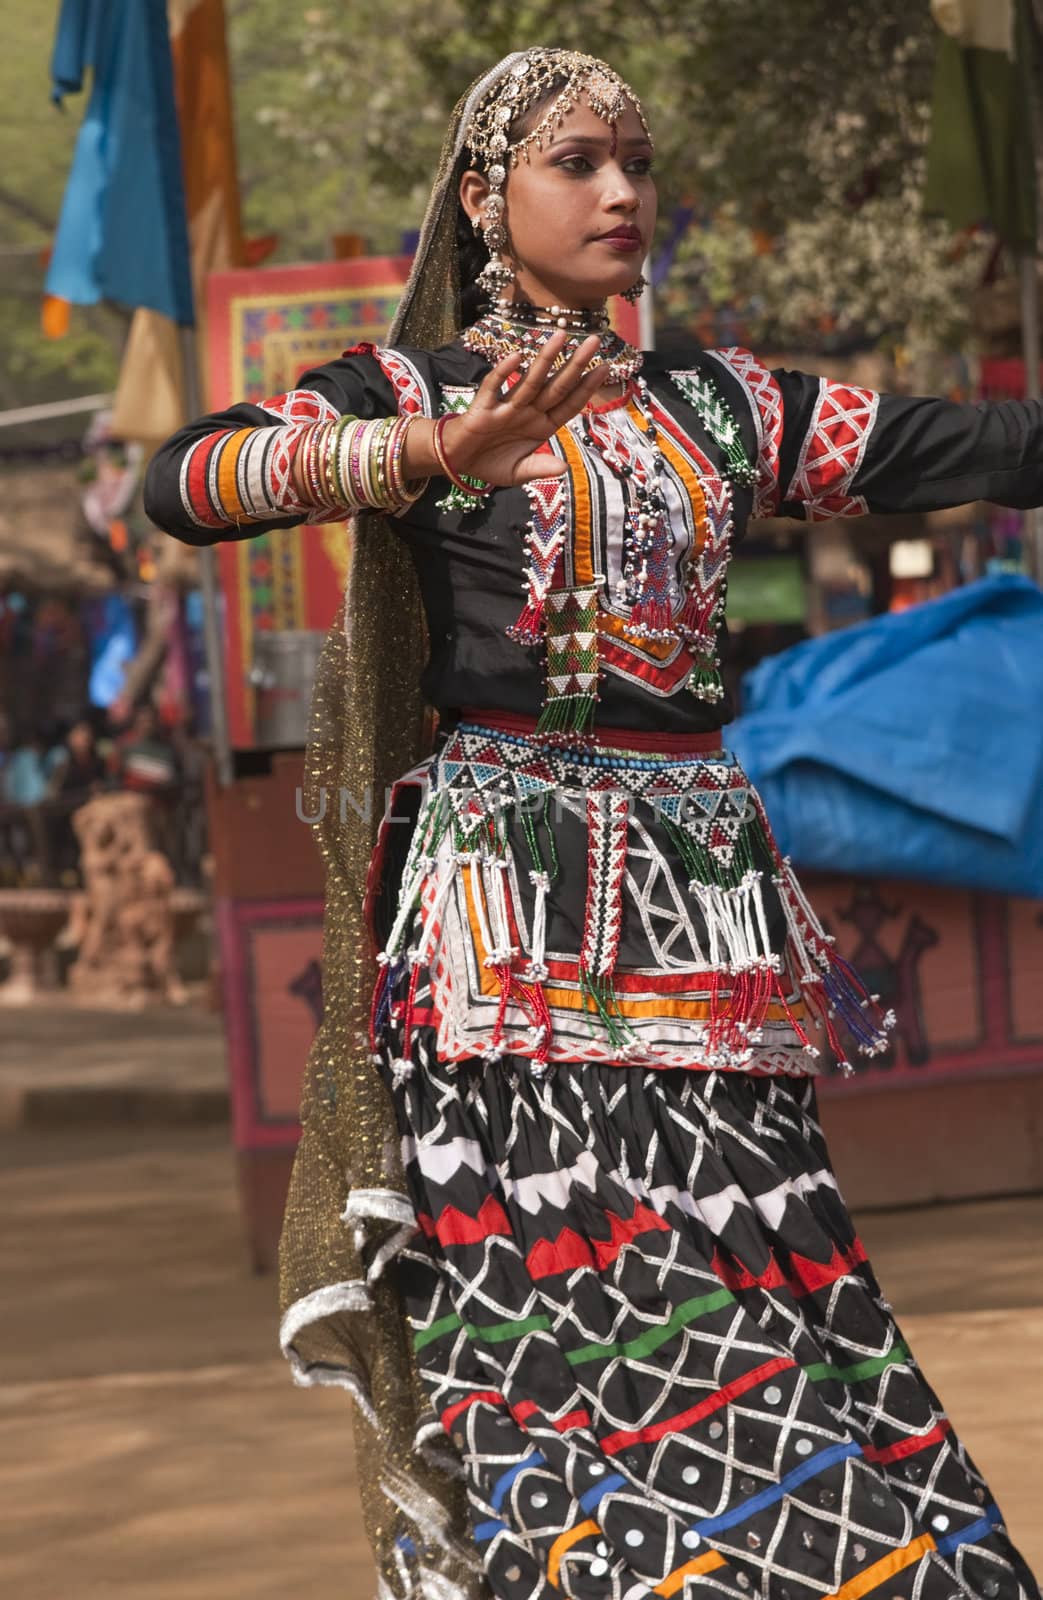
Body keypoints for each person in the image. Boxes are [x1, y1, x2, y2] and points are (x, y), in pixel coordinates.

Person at [144, 48, 1041, 1600]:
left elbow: (967, 448)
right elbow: (189, 480)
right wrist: (432, 454)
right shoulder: (412, 392)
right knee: (578, 1315)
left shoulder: (722, 400)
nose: (624, 190)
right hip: (506, 929)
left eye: (636, 159)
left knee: (773, 1280)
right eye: (578, 162)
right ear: (486, 197)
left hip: (708, 924)